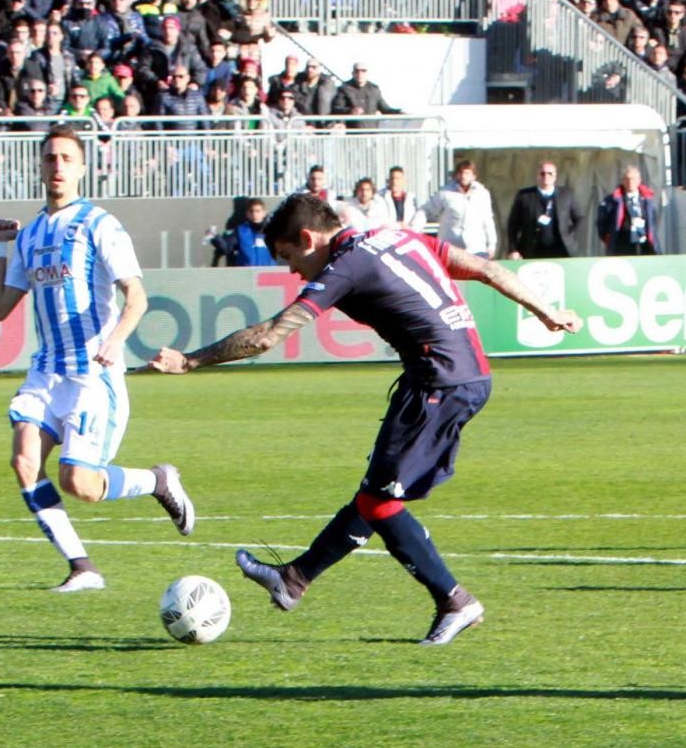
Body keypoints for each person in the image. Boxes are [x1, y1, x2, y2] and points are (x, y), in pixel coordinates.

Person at [144, 193, 583, 645]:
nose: (292, 270)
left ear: (309, 238)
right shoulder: (398, 236)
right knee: (376, 492)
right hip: (459, 376)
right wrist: (547, 312)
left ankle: (455, 600)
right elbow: (488, 269)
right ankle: (293, 578)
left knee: (380, 503)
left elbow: (267, 337)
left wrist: (190, 361)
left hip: (439, 382)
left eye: (290, 257)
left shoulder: (346, 265)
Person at [0, 124, 195, 592]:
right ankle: (83, 567)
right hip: (47, 371)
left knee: (80, 483)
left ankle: (158, 481)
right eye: (49, 158)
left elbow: (136, 297)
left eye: (65, 158)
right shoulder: (31, 232)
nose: (57, 166)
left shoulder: (99, 224)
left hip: (92, 374)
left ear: (81, 168)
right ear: (40, 168)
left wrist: (116, 339)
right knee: (24, 462)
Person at [505, 160, 584, 259]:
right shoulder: (524, 196)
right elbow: (513, 225)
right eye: (542, 173)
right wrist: (513, 249)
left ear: (555, 176)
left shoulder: (566, 195)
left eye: (550, 173)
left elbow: (579, 217)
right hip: (531, 251)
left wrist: (569, 236)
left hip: (561, 251)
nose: (546, 176)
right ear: (537, 176)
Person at [423, 160, 498, 257]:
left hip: (476, 248)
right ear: (456, 175)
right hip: (450, 248)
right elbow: (427, 210)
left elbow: (487, 220)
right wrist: (413, 229)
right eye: (461, 173)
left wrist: (492, 244)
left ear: (474, 176)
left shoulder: (482, 194)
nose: (463, 176)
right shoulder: (445, 193)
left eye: (467, 173)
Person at [596, 165, 659, 255]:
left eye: (633, 179)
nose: (630, 182)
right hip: (622, 246)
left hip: (644, 245)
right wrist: (610, 239)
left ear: (639, 180)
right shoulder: (612, 200)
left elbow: (653, 221)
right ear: (623, 181)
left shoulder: (647, 199)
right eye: (627, 179)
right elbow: (602, 224)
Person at [210, 197, 275, 266]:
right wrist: (215, 237)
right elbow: (227, 248)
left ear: (264, 213)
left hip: (269, 274)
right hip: (246, 273)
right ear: (247, 214)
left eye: (257, 211)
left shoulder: (274, 230)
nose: (254, 214)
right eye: (251, 211)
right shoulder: (240, 231)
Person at [380, 166, 427, 230]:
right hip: (387, 235)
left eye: (398, 179)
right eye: (392, 178)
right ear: (388, 181)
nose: (394, 181)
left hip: (409, 235)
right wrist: (397, 226)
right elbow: (379, 220)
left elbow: (420, 217)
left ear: (403, 181)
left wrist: (411, 229)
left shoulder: (411, 198)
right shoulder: (380, 198)